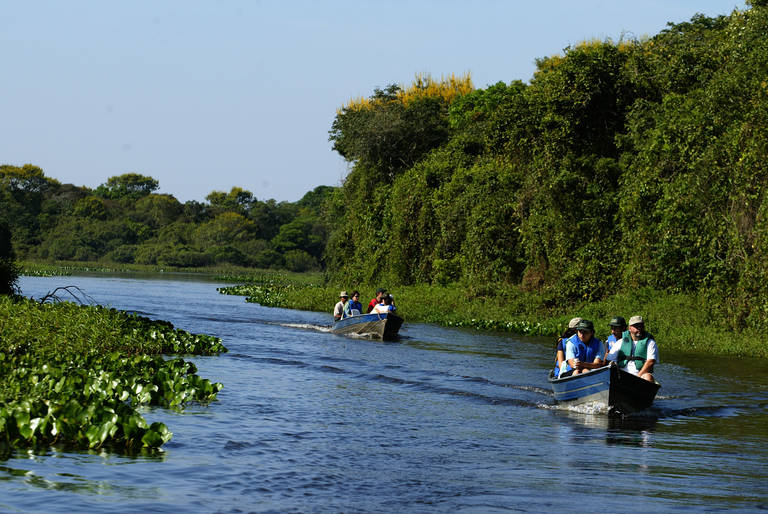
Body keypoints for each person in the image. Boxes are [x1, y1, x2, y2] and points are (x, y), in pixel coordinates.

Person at [605, 315, 658, 382]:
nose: (639, 328)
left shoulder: (650, 342)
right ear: (629, 328)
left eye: (641, 326)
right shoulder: (620, 342)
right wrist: (613, 365)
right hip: (621, 374)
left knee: (648, 377)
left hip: (640, 375)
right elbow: (610, 359)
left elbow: (651, 361)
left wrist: (638, 377)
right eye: (636, 326)